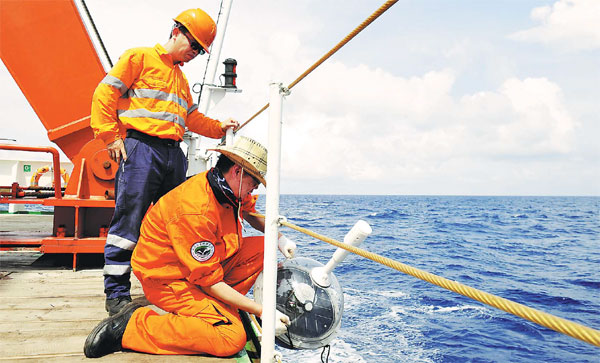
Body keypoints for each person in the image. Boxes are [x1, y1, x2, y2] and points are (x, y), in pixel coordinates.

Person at [84, 136, 297, 358]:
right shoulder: (196, 209)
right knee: (231, 337)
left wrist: (279, 239)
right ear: (237, 171)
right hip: (167, 279)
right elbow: (210, 281)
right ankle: (130, 327)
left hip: (195, 269)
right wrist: (263, 311)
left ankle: (215, 308)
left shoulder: (224, 186)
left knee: (266, 249)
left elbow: (250, 213)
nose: (252, 192)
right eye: (253, 185)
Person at [90, 8, 240, 316]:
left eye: (200, 50)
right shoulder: (139, 58)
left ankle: (173, 286)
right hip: (142, 149)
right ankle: (116, 293)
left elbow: (192, 119)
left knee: (178, 221)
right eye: (195, 46)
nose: (196, 53)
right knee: (128, 222)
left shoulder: (182, 80)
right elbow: (104, 93)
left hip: (173, 154)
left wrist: (219, 127)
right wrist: (110, 136)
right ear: (177, 32)